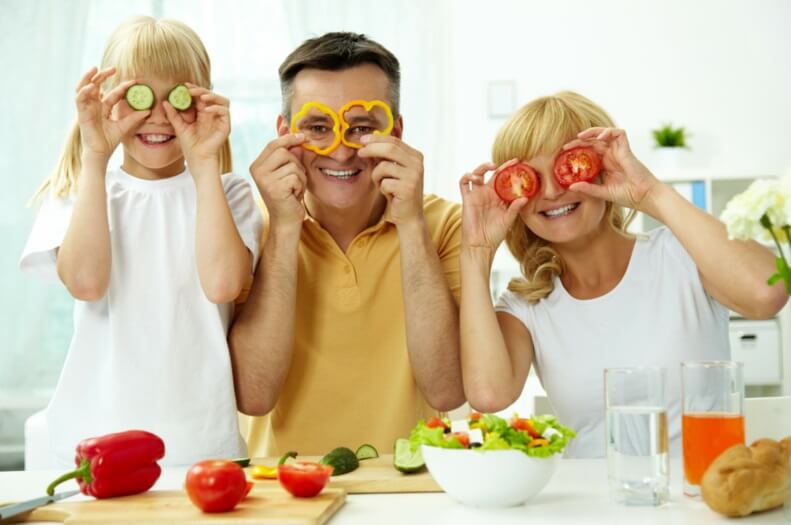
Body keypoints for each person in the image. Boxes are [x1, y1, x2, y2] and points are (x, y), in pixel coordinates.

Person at [458, 91, 787, 457]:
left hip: (704, 490)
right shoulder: (526, 306)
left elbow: (768, 293)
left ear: (603, 167)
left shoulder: (680, 254)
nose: (551, 191)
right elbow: (488, 395)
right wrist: (475, 252)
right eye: (529, 178)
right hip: (592, 495)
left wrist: (651, 193)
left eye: (570, 166)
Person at [20, 16, 262, 466]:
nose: (159, 115)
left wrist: (204, 161)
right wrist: (96, 156)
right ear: (110, 102)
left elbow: (223, 285)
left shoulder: (229, 193)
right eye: (141, 96)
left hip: (202, 444)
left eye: (177, 97)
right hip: (93, 440)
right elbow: (86, 282)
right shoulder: (80, 191)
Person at [230, 32, 464, 457]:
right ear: (284, 133)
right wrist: (284, 228)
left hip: (411, 485)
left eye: (362, 128)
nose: (341, 151)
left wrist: (410, 222)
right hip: (282, 485)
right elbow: (254, 395)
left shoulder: (445, 225)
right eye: (318, 128)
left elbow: (447, 390)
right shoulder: (248, 232)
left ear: (396, 132)